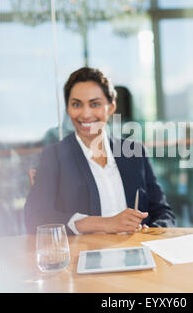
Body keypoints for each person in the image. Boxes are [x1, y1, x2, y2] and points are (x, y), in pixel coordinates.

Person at [24, 67, 175, 235]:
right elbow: (35, 218)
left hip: (137, 253)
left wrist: (151, 231)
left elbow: (163, 213)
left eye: (94, 104)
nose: (86, 114)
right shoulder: (54, 156)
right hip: (85, 256)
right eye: (76, 104)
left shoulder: (135, 153)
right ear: (68, 109)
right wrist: (103, 224)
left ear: (111, 107)